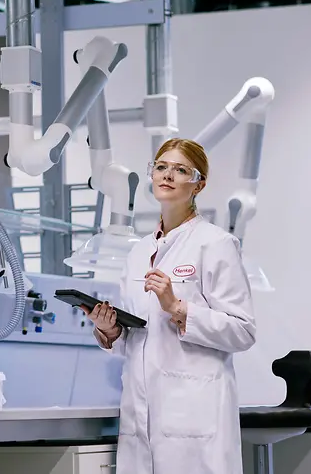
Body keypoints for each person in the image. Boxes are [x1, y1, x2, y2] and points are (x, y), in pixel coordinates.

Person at [83, 138, 256, 474]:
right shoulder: (138, 252)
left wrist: (178, 307)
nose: (168, 175)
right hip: (140, 415)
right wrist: (110, 329)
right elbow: (139, 337)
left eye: (180, 170)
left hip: (194, 417)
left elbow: (243, 331)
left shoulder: (216, 244)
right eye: (161, 167)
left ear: (198, 184)